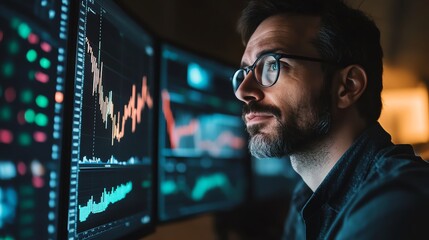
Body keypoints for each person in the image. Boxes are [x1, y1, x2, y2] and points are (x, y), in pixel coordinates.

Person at [231, 0, 429, 239]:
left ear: (347, 86)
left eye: (272, 65)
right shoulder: (306, 196)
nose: (243, 91)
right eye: (244, 72)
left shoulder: (399, 201)